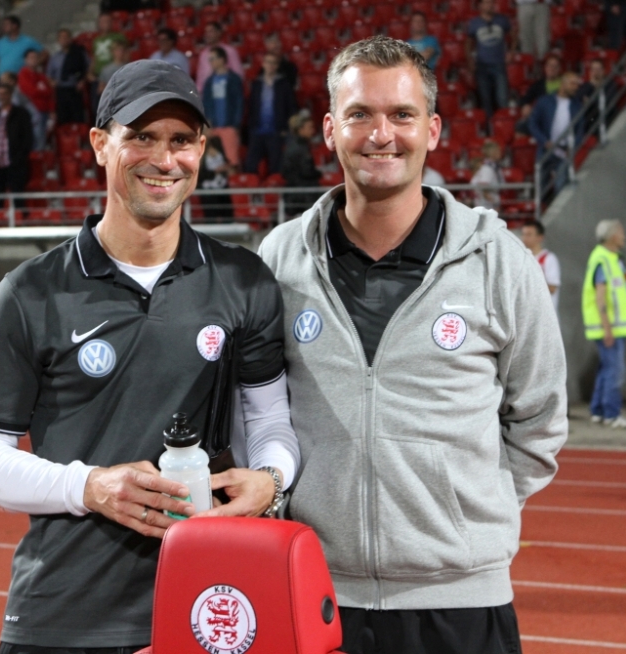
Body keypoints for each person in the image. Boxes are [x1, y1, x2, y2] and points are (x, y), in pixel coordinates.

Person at [0, 58, 300, 652]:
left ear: (201, 150)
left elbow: (270, 421)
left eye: (181, 140)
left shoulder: (243, 281)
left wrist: (271, 481)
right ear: (100, 144)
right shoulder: (31, 291)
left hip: (205, 608)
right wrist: (91, 486)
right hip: (63, 615)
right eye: (141, 136)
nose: (163, 159)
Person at [258, 36, 567, 654]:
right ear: (330, 130)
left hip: (461, 602)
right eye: (360, 115)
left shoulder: (499, 262)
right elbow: (262, 410)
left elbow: (540, 420)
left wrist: (464, 513)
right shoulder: (280, 257)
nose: (382, 135)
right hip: (314, 589)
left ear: (432, 129)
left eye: (401, 114)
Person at [583, 219, 626, 429]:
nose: (624, 236)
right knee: (615, 371)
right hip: (610, 328)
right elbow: (600, 297)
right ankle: (612, 414)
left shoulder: (612, 259)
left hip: (613, 327)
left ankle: (598, 410)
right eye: (621, 233)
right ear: (612, 236)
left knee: (606, 369)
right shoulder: (603, 260)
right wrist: (607, 328)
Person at [529, 71, 583, 202]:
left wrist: (574, 146)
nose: (576, 87)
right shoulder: (545, 101)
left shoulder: (577, 105)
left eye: (577, 84)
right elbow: (532, 123)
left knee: (561, 186)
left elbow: (580, 129)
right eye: (573, 83)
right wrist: (544, 141)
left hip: (564, 151)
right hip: (545, 150)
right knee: (541, 186)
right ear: (563, 84)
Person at [244, 52, 296, 176]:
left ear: (277, 66)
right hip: (257, 131)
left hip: (276, 131)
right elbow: (251, 107)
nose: (270, 65)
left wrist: (285, 128)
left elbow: (291, 107)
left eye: (273, 63)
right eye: (268, 62)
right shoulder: (256, 84)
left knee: (276, 167)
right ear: (263, 64)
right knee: (250, 166)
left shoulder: (284, 84)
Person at [0, 82, 33, 206]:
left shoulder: (21, 114)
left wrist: (19, 157)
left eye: (4, 94)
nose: (1, 96)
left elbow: (27, 138)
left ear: (10, 95)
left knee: (18, 198)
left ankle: (20, 217)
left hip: (15, 163)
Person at [467, 0, 513, 123]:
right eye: (487, 2)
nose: (490, 5)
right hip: (482, 66)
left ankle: (505, 125)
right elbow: (468, 43)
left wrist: (511, 51)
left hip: (499, 64)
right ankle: (489, 128)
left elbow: (513, 36)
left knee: (502, 98)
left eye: (491, 2)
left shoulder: (502, 20)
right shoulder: (474, 23)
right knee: (485, 99)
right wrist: (470, 60)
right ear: (480, 5)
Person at [201, 46, 244, 166]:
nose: (211, 62)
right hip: (213, 126)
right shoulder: (209, 81)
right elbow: (205, 103)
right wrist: (207, 123)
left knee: (231, 160)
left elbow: (239, 103)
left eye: (213, 59)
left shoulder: (234, 79)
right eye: (209, 59)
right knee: (212, 161)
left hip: (229, 126)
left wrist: (236, 124)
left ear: (222, 59)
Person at [280, 111, 322, 216]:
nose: (312, 131)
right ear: (301, 130)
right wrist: (318, 174)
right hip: (304, 195)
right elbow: (307, 171)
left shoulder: (291, 146)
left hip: (294, 194)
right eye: (309, 127)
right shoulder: (301, 148)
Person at [47, 28, 91, 125]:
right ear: (58, 40)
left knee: (78, 118)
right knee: (62, 118)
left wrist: (83, 81)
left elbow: (89, 67)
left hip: (76, 89)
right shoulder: (55, 57)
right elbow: (49, 75)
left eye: (66, 37)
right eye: (61, 37)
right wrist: (52, 82)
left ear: (70, 39)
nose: (64, 39)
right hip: (61, 90)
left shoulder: (79, 53)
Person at [17, 48, 54, 151]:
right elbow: (31, 91)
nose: (33, 59)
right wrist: (45, 91)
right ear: (25, 60)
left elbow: (51, 94)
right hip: (32, 113)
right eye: (31, 57)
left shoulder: (41, 76)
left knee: (41, 140)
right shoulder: (23, 74)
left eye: (35, 57)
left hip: (44, 111)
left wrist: (52, 109)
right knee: (34, 140)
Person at [0, 15, 42, 85]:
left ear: (15, 26)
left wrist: (34, 64)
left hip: (22, 80)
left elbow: (45, 53)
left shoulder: (28, 41)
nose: (4, 27)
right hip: (3, 82)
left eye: (6, 24)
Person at [521, 220, 560, 312]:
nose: (525, 238)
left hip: (545, 313)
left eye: (529, 234)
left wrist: (528, 287)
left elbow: (552, 288)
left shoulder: (549, 259)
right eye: (523, 234)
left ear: (540, 237)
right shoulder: (522, 259)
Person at [194, 21, 243, 92]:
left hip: (226, 91)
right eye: (206, 32)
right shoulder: (203, 54)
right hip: (208, 92)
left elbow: (238, 74)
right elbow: (200, 77)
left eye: (211, 31)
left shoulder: (230, 51)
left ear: (219, 33)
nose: (207, 35)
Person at [197, 132, 234, 222]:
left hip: (222, 187)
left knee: (228, 216)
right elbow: (200, 174)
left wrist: (227, 168)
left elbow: (226, 161)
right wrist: (215, 171)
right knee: (211, 218)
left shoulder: (216, 142)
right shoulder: (199, 149)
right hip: (207, 190)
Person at [519, 53, 562, 126]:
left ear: (559, 69)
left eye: (555, 66)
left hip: (560, 117)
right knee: (520, 125)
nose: (552, 69)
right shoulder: (538, 85)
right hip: (543, 118)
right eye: (550, 65)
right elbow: (525, 99)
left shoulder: (565, 83)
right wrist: (525, 106)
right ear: (545, 67)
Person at [89, 12, 127, 79]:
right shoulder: (96, 40)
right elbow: (94, 58)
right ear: (99, 23)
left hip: (114, 74)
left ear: (111, 23)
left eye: (107, 21)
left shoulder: (118, 37)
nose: (105, 23)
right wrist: (90, 73)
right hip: (98, 75)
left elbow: (126, 54)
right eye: (103, 21)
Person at [470, 138, 504, 211]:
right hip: (486, 204)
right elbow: (483, 186)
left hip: (488, 200)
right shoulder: (487, 168)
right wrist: (493, 201)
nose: (500, 153)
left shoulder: (493, 166)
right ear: (493, 153)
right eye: (498, 151)